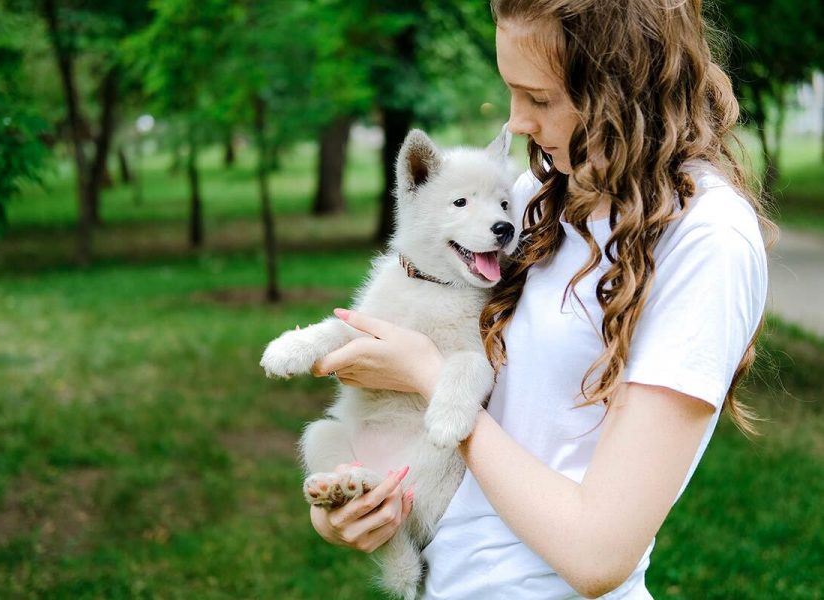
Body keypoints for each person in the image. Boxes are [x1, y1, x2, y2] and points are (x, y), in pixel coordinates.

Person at [308, 0, 773, 597]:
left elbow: (598, 553)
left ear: (623, 89)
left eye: (541, 99)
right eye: (511, 91)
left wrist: (432, 379)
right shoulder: (537, 197)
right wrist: (353, 503)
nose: (518, 121)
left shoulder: (707, 238)